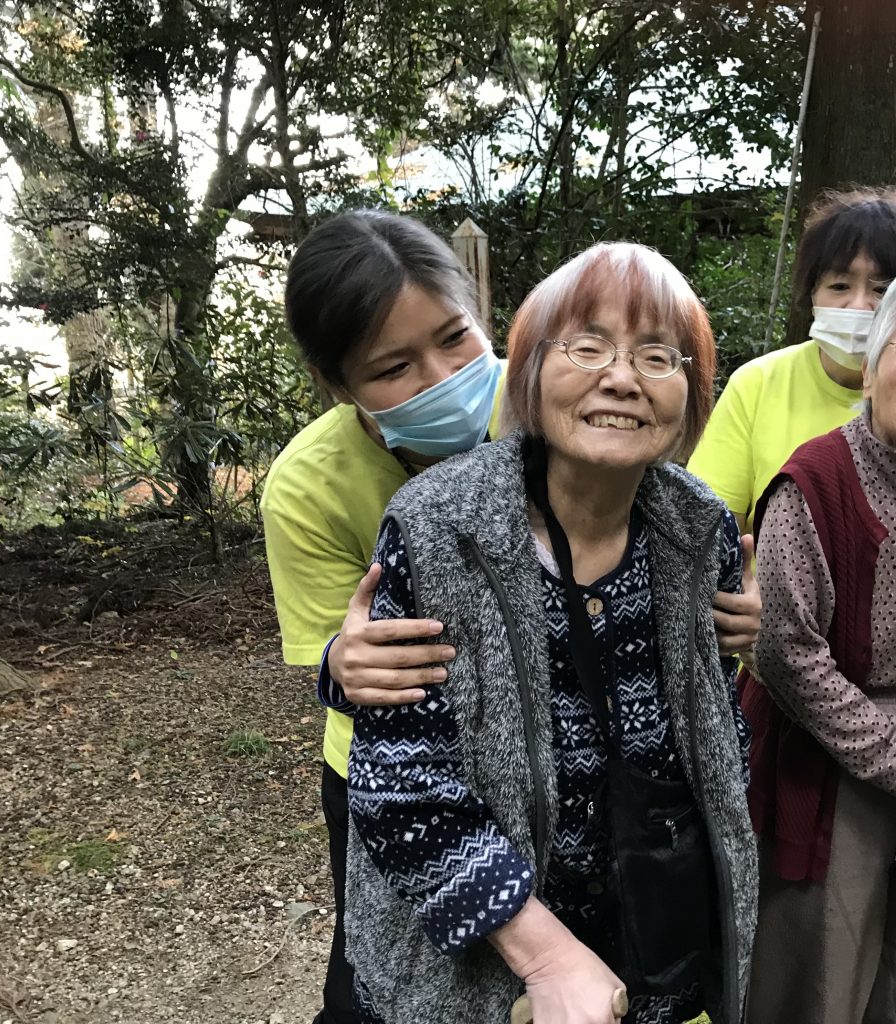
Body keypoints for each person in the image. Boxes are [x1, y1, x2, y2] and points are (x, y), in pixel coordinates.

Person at [344, 242, 757, 1024]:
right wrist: (546, 954)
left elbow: (715, 736)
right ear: (530, 369)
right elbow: (400, 782)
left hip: (651, 938)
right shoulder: (438, 528)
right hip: (479, 958)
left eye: (658, 357)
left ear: (693, 395)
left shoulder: (698, 528)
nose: (622, 378)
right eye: (589, 346)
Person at [261, 210, 504, 1024]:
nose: (440, 378)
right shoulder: (308, 486)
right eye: (394, 366)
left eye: (455, 337)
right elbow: (335, 651)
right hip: (391, 770)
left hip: (545, 749)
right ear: (337, 383)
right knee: (381, 982)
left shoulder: (549, 416)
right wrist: (343, 663)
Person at [742, 280, 896, 1023]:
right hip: (834, 756)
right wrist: (889, 753)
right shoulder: (817, 480)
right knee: (825, 981)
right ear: (871, 366)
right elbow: (784, 651)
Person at [688, 187, 896, 530]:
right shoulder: (757, 384)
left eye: (880, 290)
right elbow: (706, 530)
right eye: (840, 286)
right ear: (812, 292)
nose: (859, 306)